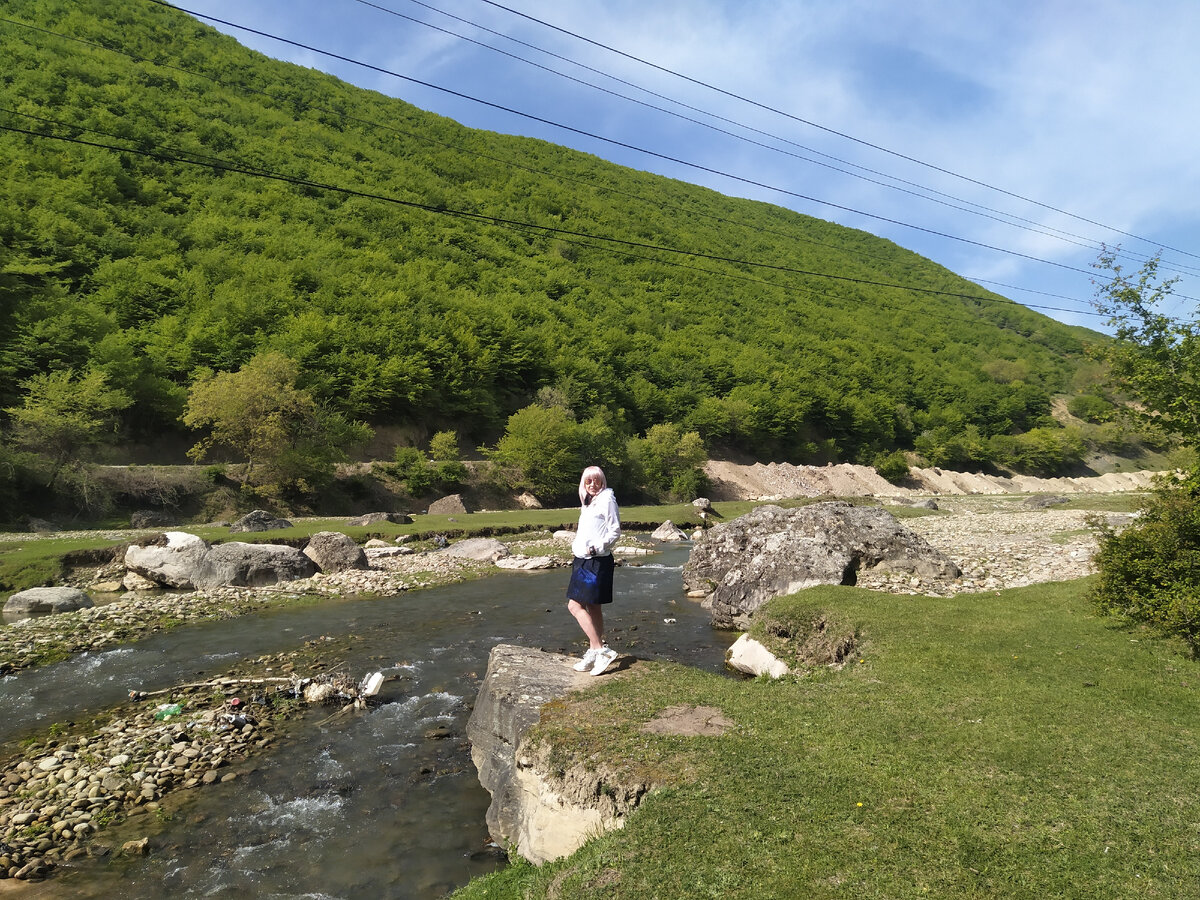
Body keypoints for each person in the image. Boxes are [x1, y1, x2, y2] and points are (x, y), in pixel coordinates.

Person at [566, 465, 621, 675]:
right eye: (588, 481)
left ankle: (600, 650)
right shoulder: (587, 503)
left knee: (574, 606)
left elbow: (615, 530)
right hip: (583, 560)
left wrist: (595, 547)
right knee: (593, 607)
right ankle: (593, 650)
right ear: (583, 483)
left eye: (596, 481)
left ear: (602, 482)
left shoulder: (607, 499)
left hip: (596, 561)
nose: (592, 484)